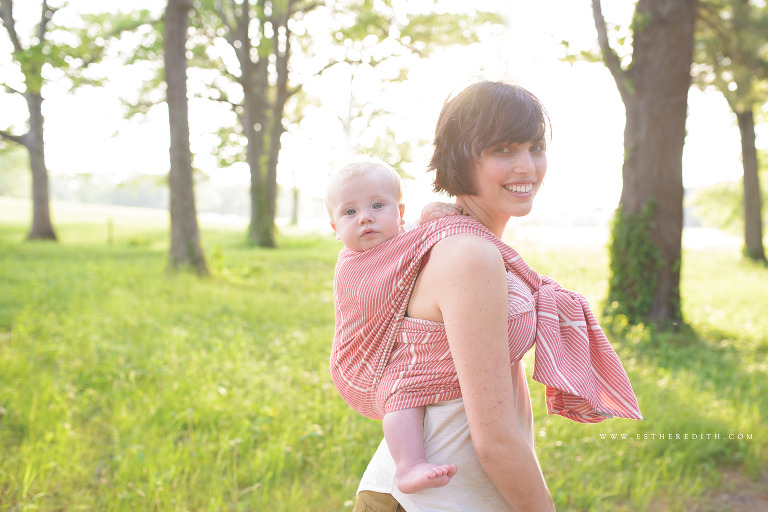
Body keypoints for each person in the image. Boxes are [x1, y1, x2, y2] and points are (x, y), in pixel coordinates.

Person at [329, 81, 642, 512]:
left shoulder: (454, 237)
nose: (527, 166)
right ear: (460, 156)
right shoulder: (468, 254)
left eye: (535, 146)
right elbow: (494, 439)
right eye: (503, 150)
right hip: (433, 502)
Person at [325, 156, 463, 494]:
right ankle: (409, 465)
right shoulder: (354, 265)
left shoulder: (401, 239)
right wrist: (431, 228)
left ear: (400, 213)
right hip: (364, 360)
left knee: (404, 383)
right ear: (334, 228)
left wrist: (429, 216)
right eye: (350, 212)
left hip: (400, 345)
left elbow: (415, 240)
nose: (366, 218)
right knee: (400, 394)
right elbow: (409, 253)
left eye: (376, 205)